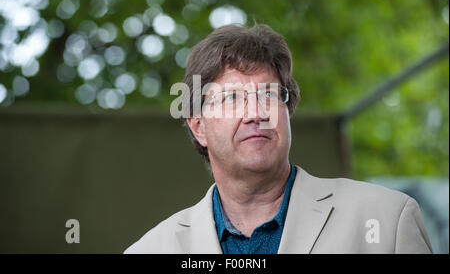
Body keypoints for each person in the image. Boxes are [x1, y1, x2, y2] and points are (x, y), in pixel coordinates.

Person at [124, 24, 432, 254]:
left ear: (287, 111)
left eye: (269, 94)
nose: (255, 113)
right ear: (198, 127)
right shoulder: (150, 250)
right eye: (232, 98)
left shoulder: (388, 219)